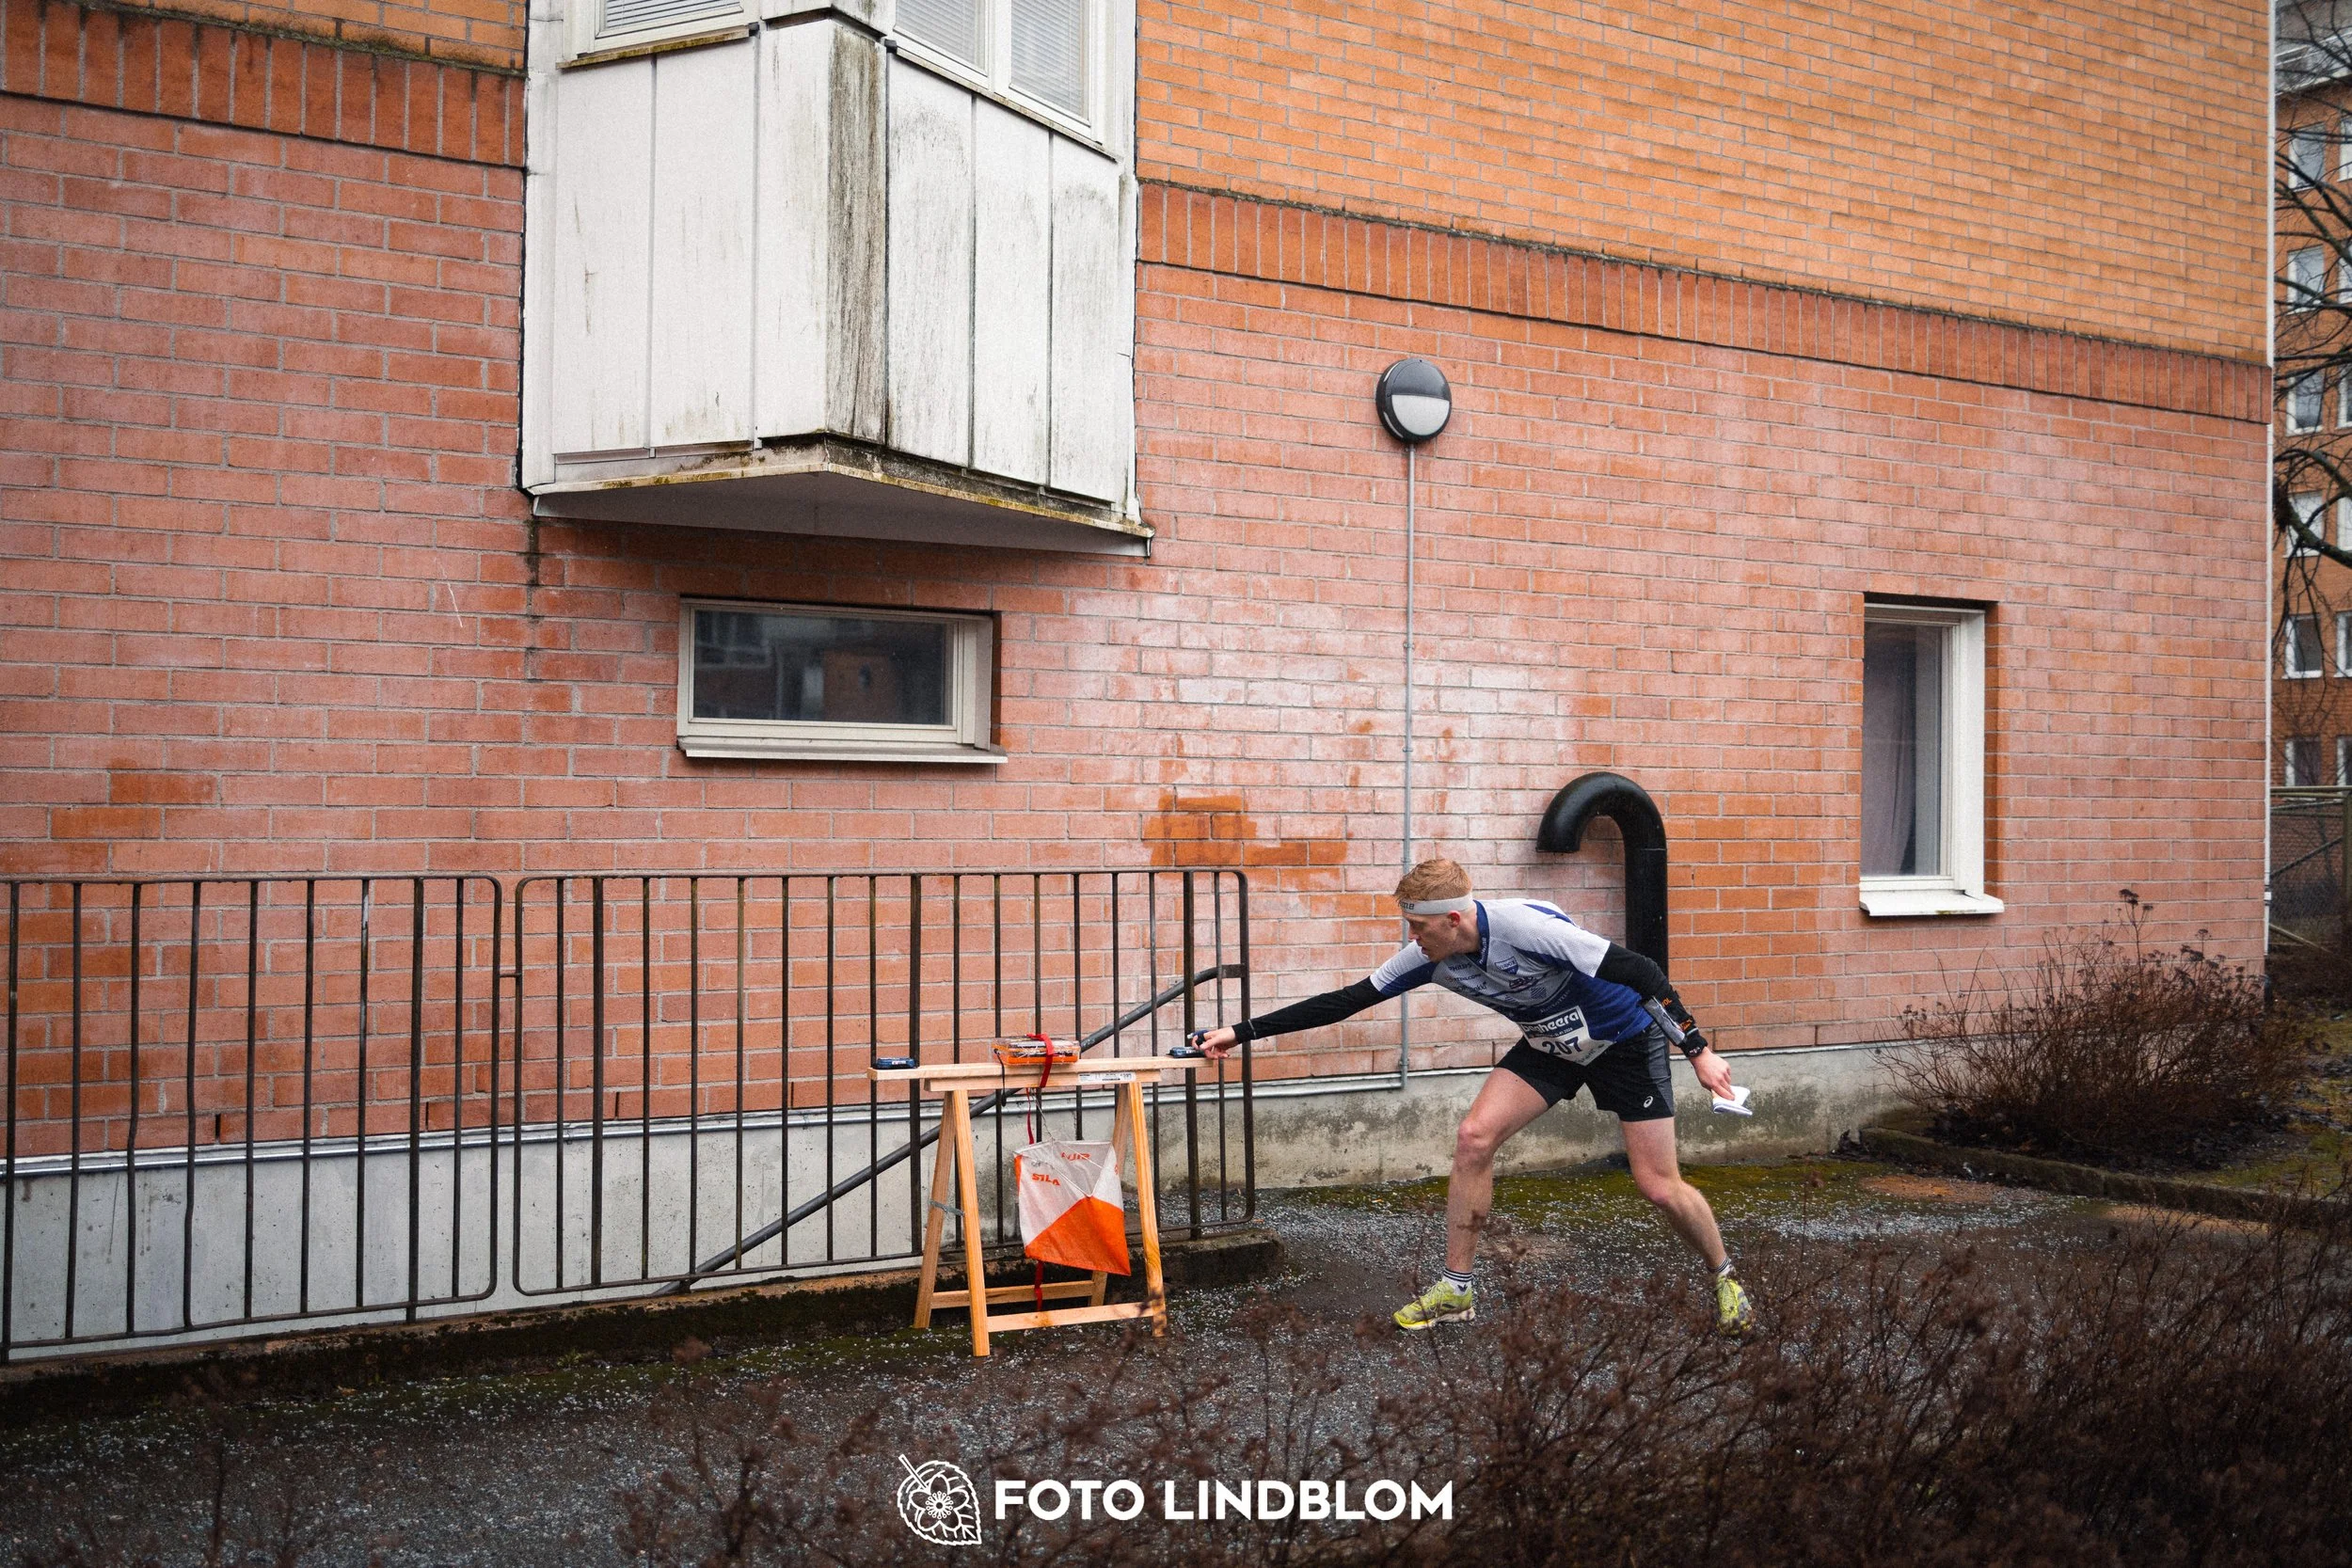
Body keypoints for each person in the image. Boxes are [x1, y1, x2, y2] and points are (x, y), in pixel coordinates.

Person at [1191, 856, 1753, 1335]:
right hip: (1550, 1045)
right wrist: (1240, 1033)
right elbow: (1346, 1000)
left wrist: (1698, 1050)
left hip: (1622, 1039)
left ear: (1452, 919)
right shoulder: (1428, 959)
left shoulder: (1526, 929)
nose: (1412, 939)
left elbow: (1643, 971)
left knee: (1658, 1185)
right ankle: (1456, 1290)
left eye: (1417, 927)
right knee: (1473, 1137)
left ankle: (1726, 1276)